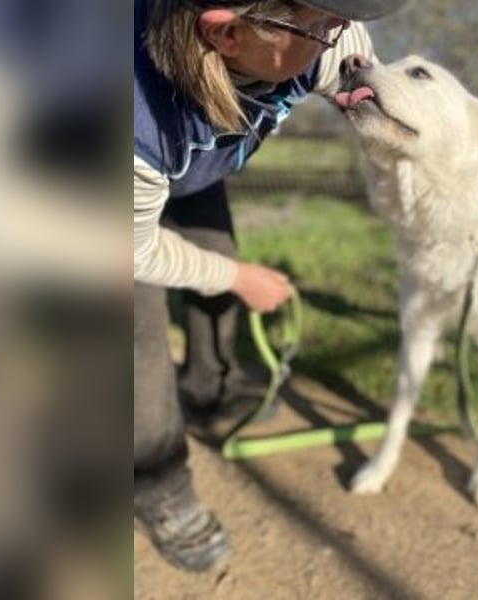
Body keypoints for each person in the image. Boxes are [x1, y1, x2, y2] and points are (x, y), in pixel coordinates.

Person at [134, 0, 406, 572]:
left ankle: (211, 390)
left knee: (213, 254)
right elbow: (131, 251)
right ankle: (158, 483)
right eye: (320, 22)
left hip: (184, 165)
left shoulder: (327, 37)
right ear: (229, 34)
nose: (342, 33)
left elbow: (388, 111)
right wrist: (241, 281)